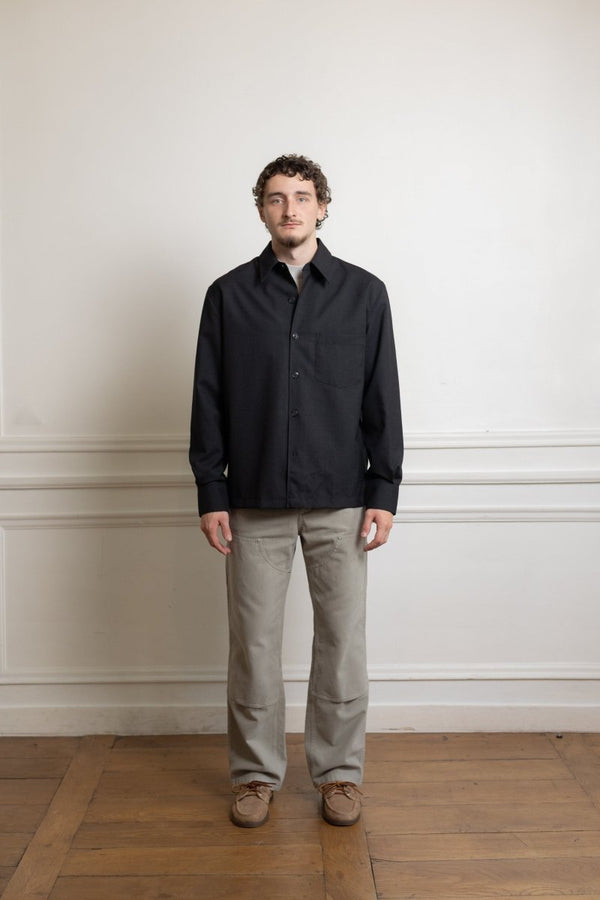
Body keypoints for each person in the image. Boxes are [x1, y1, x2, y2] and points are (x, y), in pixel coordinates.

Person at [189, 153, 403, 828]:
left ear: (323, 206)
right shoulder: (228, 295)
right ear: (262, 210)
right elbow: (208, 399)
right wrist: (211, 490)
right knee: (253, 645)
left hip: (342, 498)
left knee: (342, 643)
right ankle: (255, 775)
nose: (290, 209)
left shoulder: (365, 294)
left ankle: (339, 775)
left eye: (302, 196)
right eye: (277, 198)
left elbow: (382, 398)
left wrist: (384, 489)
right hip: (252, 500)